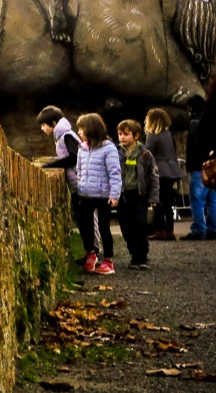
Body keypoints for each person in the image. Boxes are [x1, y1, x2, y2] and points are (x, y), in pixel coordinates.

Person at [39, 106, 100, 253]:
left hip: (81, 183)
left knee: (89, 220)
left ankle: (96, 251)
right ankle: (90, 253)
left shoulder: (66, 136)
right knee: (82, 220)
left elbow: (73, 158)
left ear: (53, 123)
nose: (42, 129)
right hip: (76, 184)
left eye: (43, 125)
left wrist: (51, 165)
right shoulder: (62, 136)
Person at [74, 112, 121, 275]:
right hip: (86, 194)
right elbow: (79, 170)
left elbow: (115, 172)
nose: (79, 132)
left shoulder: (109, 149)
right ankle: (91, 253)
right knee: (86, 226)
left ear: (91, 129)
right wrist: (80, 186)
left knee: (104, 227)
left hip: (103, 195)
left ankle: (108, 260)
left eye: (81, 129)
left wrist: (114, 195)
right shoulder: (82, 149)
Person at [115, 119, 159, 269]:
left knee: (140, 224)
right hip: (122, 194)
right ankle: (134, 254)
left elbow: (153, 176)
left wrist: (154, 197)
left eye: (126, 134)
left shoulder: (145, 155)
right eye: (120, 134)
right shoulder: (116, 153)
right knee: (125, 225)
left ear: (136, 136)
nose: (122, 137)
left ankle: (142, 256)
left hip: (139, 194)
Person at [145, 108, 182, 240]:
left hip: (159, 172)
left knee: (156, 200)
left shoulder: (153, 135)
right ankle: (170, 230)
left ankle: (161, 229)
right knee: (168, 203)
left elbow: (147, 153)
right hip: (172, 170)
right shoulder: (168, 134)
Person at [184, 96, 215, 240]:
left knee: (197, 199)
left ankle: (198, 229)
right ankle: (213, 228)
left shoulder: (195, 124)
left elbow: (196, 145)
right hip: (211, 165)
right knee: (211, 200)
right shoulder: (210, 121)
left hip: (198, 167)